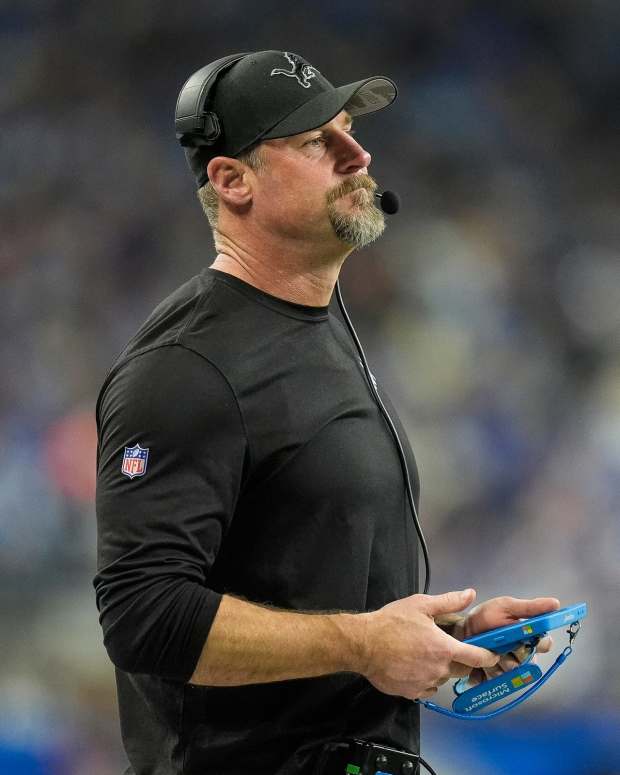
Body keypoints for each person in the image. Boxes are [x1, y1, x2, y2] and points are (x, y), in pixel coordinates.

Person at [93, 50, 560, 775]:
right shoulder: (186, 368)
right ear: (232, 179)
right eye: (318, 140)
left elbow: (306, 585)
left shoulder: (319, 328)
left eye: (348, 129)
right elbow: (143, 613)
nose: (358, 153)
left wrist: (444, 640)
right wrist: (362, 643)